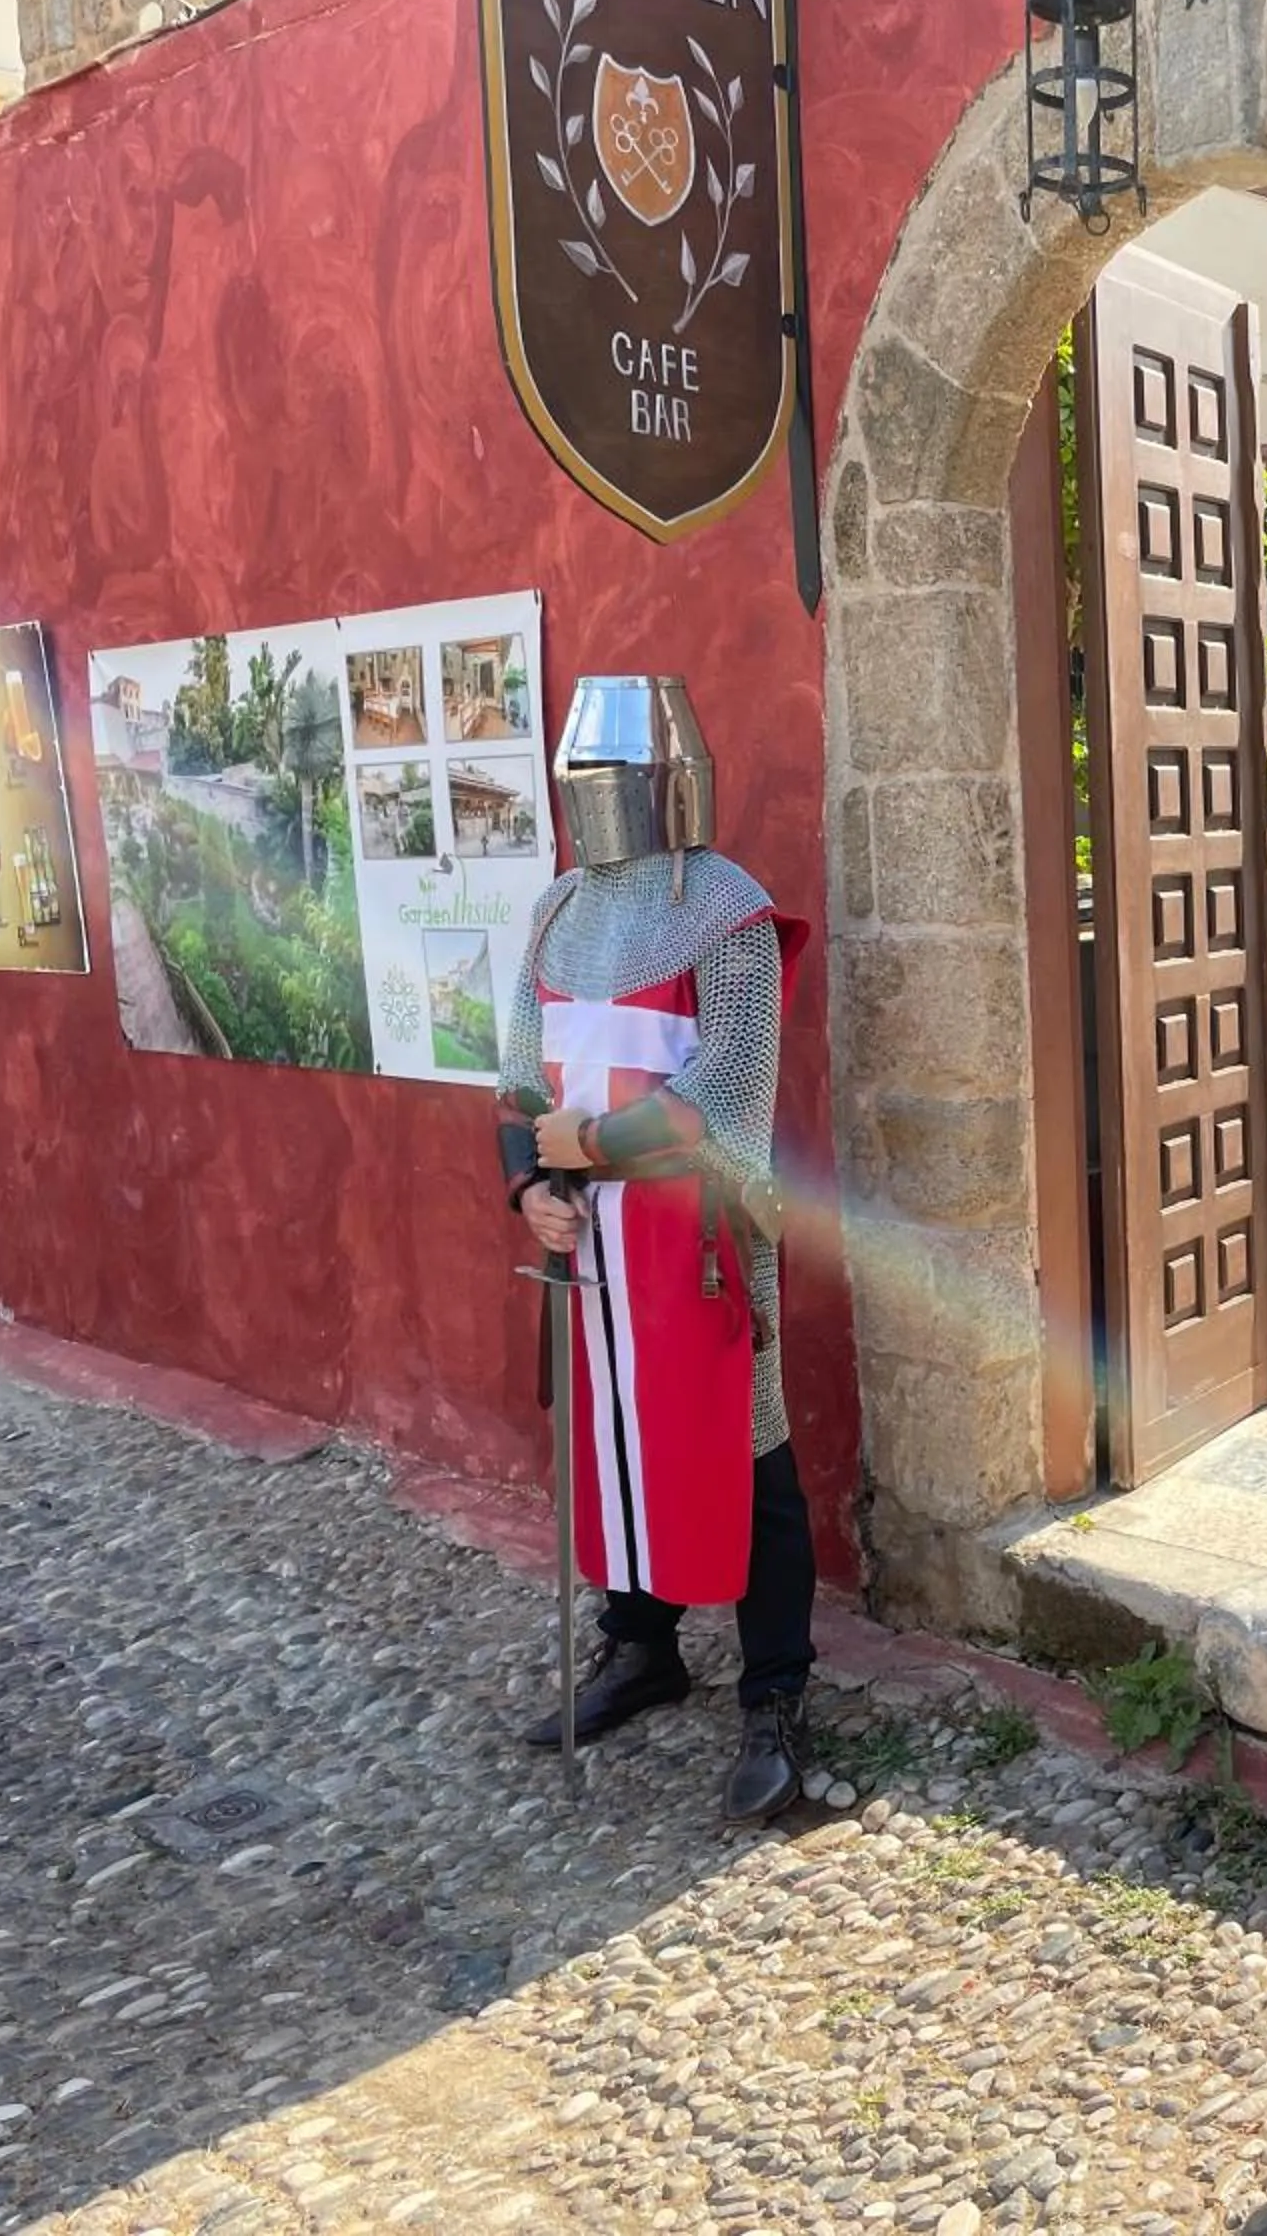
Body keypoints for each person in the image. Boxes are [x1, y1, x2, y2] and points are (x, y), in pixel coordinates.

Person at [495, 674, 817, 1825]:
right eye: (582, 770)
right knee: (614, 1443)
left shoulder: (726, 912)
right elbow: (518, 1081)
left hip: (701, 1236)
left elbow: (724, 1093)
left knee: (747, 1452)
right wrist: (531, 1186)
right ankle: (642, 1646)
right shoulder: (556, 912)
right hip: (589, 1243)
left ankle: (775, 1696)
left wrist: (587, 1144)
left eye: (612, 772)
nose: (597, 791)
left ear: (666, 779)